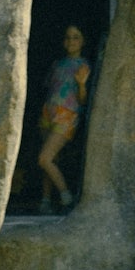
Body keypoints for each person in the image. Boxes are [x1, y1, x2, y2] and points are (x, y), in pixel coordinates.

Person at [37, 24, 92, 211]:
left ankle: (66, 197)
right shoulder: (57, 64)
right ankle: (45, 201)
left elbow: (83, 100)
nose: (71, 41)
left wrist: (82, 84)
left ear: (83, 41)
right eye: (68, 37)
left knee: (44, 158)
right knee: (51, 160)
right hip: (48, 114)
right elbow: (48, 90)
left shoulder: (84, 65)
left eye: (76, 37)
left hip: (67, 115)